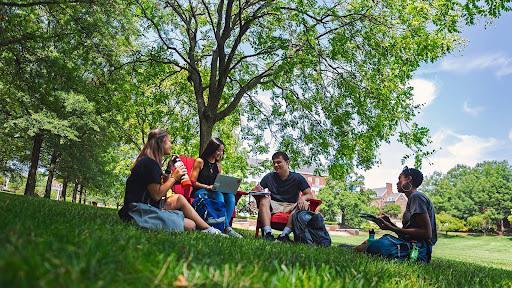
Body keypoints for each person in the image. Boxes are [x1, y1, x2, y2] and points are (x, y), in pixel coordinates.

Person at [118, 128, 225, 235]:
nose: (171, 145)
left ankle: (208, 229)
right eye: (169, 141)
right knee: (190, 225)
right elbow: (157, 195)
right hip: (138, 211)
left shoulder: (150, 162)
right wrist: (174, 177)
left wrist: (169, 170)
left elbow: (160, 189)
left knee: (179, 198)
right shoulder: (148, 164)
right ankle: (209, 229)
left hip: (149, 204)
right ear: (161, 142)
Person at [354, 166, 437, 263]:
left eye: (400, 178)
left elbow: (426, 233)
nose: (397, 182)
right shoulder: (412, 199)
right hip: (410, 244)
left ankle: (368, 249)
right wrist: (389, 223)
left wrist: (392, 228)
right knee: (375, 243)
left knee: (381, 244)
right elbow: (406, 233)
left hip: (419, 250)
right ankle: (366, 249)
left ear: (408, 179)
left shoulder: (416, 197)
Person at [253, 151, 315, 242]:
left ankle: (284, 235)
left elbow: (309, 194)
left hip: (291, 205)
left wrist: (302, 198)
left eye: (279, 162)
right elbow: (254, 190)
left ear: (287, 163)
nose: (276, 165)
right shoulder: (269, 177)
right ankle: (268, 234)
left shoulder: (298, 178)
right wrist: (257, 190)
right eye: (274, 163)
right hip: (274, 205)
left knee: (301, 206)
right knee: (264, 199)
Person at [190, 138, 243, 238]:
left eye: (222, 151)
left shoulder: (218, 165)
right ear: (212, 149)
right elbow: (193, 182)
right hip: (199, 191)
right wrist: (207, 187)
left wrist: (225, 186)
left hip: (213, 191)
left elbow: (218, 182)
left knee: (231, 196)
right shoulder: (200, 162)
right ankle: (226, 228)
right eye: (219, 150)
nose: (221, 153)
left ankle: (223, 228)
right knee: (218, 195)